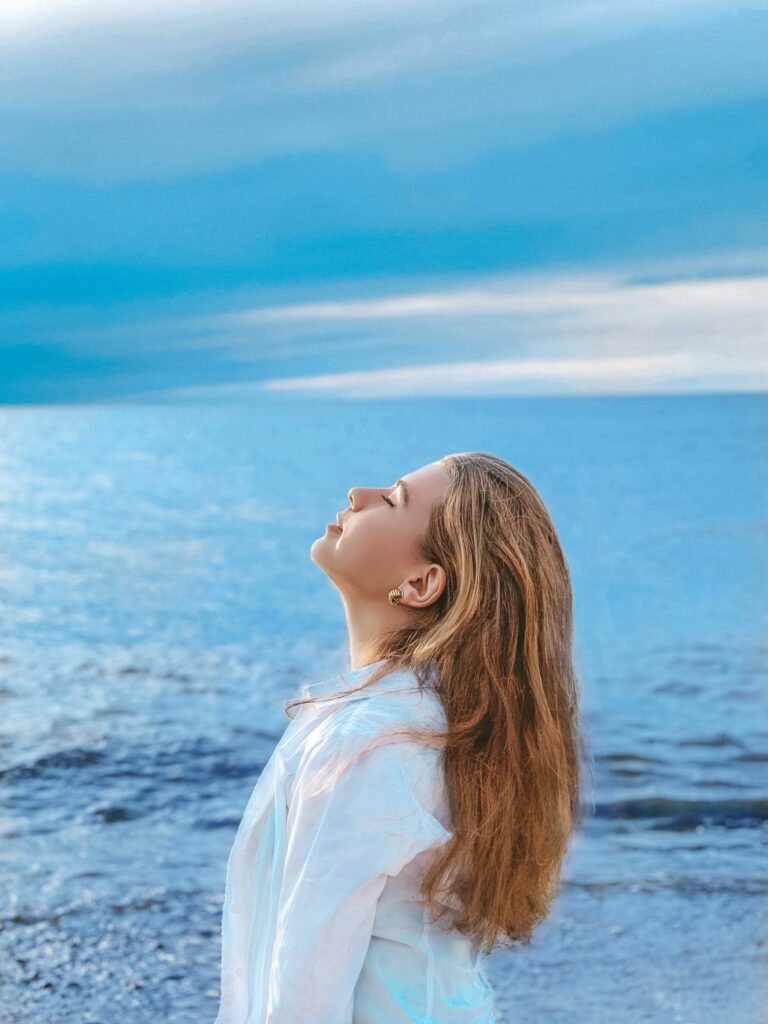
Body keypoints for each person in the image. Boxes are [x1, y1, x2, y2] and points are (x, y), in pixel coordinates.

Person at [213, 451, 585, 1024]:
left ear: (420, 583)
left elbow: (305, 987)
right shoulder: (439, 727)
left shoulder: (369, 744)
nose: (358, 493)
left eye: (391, 500)